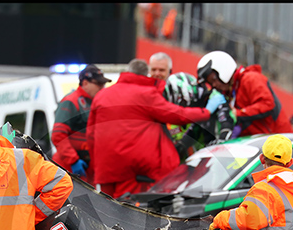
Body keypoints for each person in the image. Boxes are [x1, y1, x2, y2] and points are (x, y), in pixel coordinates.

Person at [88, 58, 224, 199]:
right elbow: (177, 115)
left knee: (106, 210)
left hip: (105, 167)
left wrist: (95, 164)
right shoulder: (147, 94)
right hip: (133, 169)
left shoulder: (101, 96)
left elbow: (91, 134)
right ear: (145, 74)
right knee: (129, 212)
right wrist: (206, 112)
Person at [197, 50, 292, 139]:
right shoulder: (230, 93)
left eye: (214, 80)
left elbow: (267, 104)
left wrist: (238, 113)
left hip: (279, 140)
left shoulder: (250, 79)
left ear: (223, 70)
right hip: (261, 143)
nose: (214, 85)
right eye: (211, 83)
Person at [50, 64, 111, 184]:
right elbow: (58, 135)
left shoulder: (96, 103)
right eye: (98, 84)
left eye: (103, 84)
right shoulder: (71, 102)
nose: (102, 88)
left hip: (86, 168)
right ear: (85, 83)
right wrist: (73, 160)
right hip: (69, 167)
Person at [163, 72, 235, 160]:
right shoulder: (198, 105)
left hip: (231, 148)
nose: (184, 108)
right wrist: (179, 147)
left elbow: (227, 122)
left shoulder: (214, 97)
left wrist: (222, 141)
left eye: (183, 103)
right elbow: (195, 130)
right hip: (210, 153)